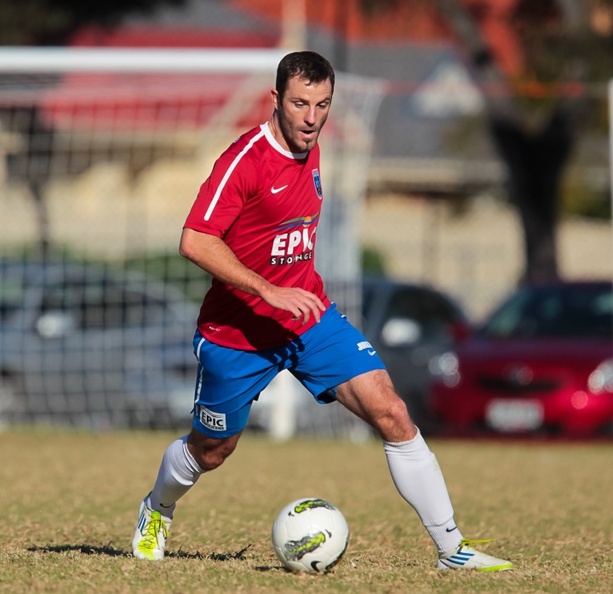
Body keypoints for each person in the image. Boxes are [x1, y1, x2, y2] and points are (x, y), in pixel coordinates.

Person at [132, 50, 513, 572]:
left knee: (392, 411)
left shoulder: (311, 145)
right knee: (212, 450)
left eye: (322, 105)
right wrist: (267, 290)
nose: (312, 118)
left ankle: (453, 549)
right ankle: (158, 507)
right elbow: (195, 240)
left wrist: (290, 292)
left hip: (310, 317)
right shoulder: (244, 161)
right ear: (275, 101)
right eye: (299, 104)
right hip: (236, 333)